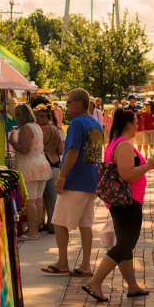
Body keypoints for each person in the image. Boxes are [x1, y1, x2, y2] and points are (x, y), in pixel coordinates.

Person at [81, 109, 154, 303]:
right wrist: (148, 166)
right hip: (128, 201)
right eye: (136, 122)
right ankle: (95, 281)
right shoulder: (123, 145)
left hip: (122, 200)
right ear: (129, 124)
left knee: (126, 245)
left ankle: (132, 286)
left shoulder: (114, 143)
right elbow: (126, 174)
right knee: (125, 244)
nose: (138, 126)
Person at [42, 88, 103, 277]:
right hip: (90, 179)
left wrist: (61, 177)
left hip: (75, 181)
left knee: (59, 221)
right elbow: (96, 155)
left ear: (80, 103)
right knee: (86, 224)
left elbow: (73, 152)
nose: (65, 105)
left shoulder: (77, 123)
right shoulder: (96, 123)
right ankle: (85, 264)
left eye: (68, 102)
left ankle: (63, 262)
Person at [9, 104, 52, 240]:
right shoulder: (37, 126)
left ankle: (32, 232)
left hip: (30, 168)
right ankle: (36, 229)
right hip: (41, 165)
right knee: (38, 201)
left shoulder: (26, 128)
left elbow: (24, 149)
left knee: (31, 201)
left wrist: (12, 142)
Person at [34, 103, 63, 235]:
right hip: (55, 166)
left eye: (37, 119)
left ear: (44, 117)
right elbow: (60, 150)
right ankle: (54, 226)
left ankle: (37, 225)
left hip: (43, 167)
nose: (36, 122)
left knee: (38, 199)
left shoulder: (41, 130)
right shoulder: (56, 129)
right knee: (54, 200)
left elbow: (35, 149)